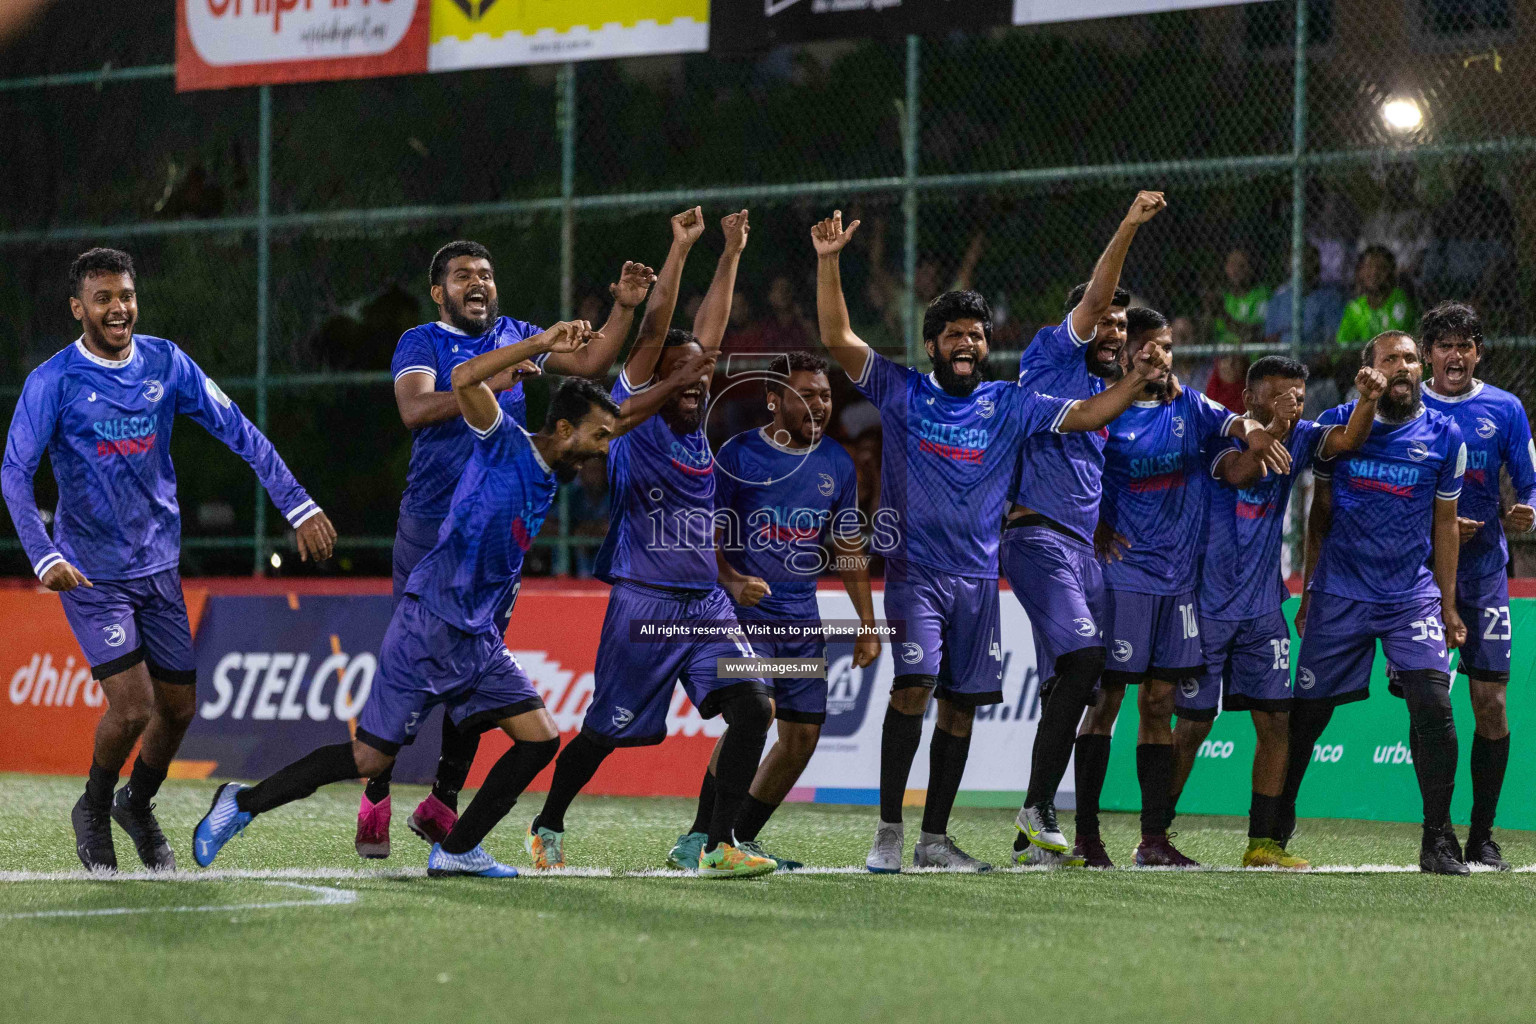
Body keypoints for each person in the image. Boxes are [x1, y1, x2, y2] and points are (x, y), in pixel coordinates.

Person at [192, 328, 709, 876]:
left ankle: (456, 848)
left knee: (540, 740)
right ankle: (240, 804)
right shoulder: (502, 439)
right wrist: (538, 344)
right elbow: (464, 379)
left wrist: (675, 379)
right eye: (600, 437)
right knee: (370, 759)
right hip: (427, 626)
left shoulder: (559, 464)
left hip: (478, 639)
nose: (607, 447)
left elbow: (623, 416)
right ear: (562, 428)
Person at [810, 210, 1181, 874]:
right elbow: (837, 336)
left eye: (976, 336)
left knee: (960, 707)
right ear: (931, 345)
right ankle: (889, 831)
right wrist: (830, 259)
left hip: (979, 580)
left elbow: (1089, 415)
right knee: (915, 687)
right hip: (918, 572)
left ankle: (933, 840)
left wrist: (1134, 380)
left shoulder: (1010, 402)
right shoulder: (900, 392)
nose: (966, 344)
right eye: (953, 335)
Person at [1, 247, 337, 872]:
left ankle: (138, 803)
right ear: (79, 308)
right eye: (103, 298)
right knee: (131, 706)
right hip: (89, 572)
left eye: (125, 295)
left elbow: (238, 427)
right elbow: (15, 473)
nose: (118, 307)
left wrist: (297, 503)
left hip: (156, 566)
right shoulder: (53, 381)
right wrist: (42, 554)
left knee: (180, 708)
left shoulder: (166, 362)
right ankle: (94, 806)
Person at [358, 241, 656, 858]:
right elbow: (414, 410)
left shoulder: (522, 333)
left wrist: (625, 308)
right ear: (439, 292)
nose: (479, 283)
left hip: (493, 540)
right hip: (431, 526)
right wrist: (495, 377)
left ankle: (442, 802)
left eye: (487, 274)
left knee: (477, 662)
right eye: (464, 275)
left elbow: (597, 356)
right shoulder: (423, 343)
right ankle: (377, 791)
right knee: (411, 667)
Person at [526, 209, 783, 879]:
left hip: (705, 608)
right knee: (604, 734)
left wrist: (729, 253)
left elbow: (708, 331)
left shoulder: (698, 422)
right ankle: (547, 820)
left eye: (704, 372)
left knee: (755, 707)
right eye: (685, 371)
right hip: (644, 604)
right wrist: (680, 249)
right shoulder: (634, 416)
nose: (698, 379)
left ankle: (711, 839)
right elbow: (655, 332)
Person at [1077, 307, 1289, 869]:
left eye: (1167, 347)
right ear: (1125, 354)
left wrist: (1257, 432)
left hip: (1179, 585)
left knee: (1159, 703)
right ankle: (1085, 835)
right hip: (1122, 579)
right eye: (1147, 347)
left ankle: (1152, 840)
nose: (1159, 357)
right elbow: (1072, 473)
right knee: (1106, 702)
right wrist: (1092, 522)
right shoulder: (1105, 412)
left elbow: (1234, 426)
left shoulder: (1190, 406)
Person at [665, 351, 880, 871]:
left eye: (826, 395)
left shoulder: (836, 462)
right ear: (773, 400)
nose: (819, 405)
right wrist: (733, 580)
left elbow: (848, 545)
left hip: (802, 620)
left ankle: (738, 837)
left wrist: (867, 625)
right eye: (806, 395)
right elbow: (703, 536)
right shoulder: (738, 455)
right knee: (752, 719)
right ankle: (698, 838)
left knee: (802, 736)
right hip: (746, 619)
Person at [999, 189, 1162, 867]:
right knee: (1086, 663)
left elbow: (1093, 443)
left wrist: (1094, 524)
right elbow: (1093, 315)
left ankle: (1030, 834)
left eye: (1124, 328)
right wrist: (1127, 225)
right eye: (1106, 324)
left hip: (1076, 547)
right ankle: (1037, 806)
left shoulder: (1105, 391)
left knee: (1076, 684)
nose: (1114, 334)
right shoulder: (1048, 357)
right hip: (1036, 541)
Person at [1181, 355, 1381, 870]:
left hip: (1265, 607)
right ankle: (1153, 834)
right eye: (1279, 394)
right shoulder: (1218, 437)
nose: (1292, 403)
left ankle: (1261, 843)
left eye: (1298, 394)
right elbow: (1244, 474)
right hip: (1207, 606)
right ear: (1250, 398)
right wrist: (1272, 429)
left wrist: (1368, 399)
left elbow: (1348, 441)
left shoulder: (1301, 433)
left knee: (1276, 723)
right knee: (1193, 726)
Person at [1289, 331, 1469, 875]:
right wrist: (1310, 586)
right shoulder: (1338, 426)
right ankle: (1274, 827)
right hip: (1339, 590)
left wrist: (1449, 604)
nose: (1403, 367)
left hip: (1408, 596)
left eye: (1411, 359)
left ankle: (1437, 839)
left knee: (1435, 707)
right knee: (1305, 720)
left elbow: (1445, 524)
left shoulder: (1446, 435)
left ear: (1421, 370)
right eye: (1391, 358)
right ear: (1370, 368)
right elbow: (1318, 513)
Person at [1417, 301, 1536, 869]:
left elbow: (1531, 483)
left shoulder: (1505, 409)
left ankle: (1481, 836)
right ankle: (1435, 832)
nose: (1456, 355)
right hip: (1419, 574)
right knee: (1432, 701)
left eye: (1466, 344)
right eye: (1446, 345)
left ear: (1479, 352)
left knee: (1490, 704)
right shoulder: (1407, 404)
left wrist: (1528, 510)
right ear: (1427, 354)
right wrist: (1435, 525)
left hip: (1486, 573)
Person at [1263, 245, 1346, 350]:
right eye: (1297, 260)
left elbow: (1333, 337)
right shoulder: (1279, 299)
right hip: (1284, 360)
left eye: (1308, 260)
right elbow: (1270, 337)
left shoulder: (1329, 298)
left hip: (1315, 360)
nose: (1302, 265)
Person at [1336, 246, 1414, 346]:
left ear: (1391, 272)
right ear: (1360, 272)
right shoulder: (1355, 307)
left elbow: (1395, 344)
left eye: (1381, 268)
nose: (1374, 272)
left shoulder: (1400, 300)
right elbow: (1342, 346)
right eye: (1368, 267)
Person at [1212, 247, 1270, 346]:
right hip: (1223, 358)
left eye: (1242, 265)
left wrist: (1223, 315)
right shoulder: (1223, 299)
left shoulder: (1263, 295)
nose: (1236, 270)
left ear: (1252, 268)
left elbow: (1254, 334)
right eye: (1232, 264)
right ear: (1226, 268)